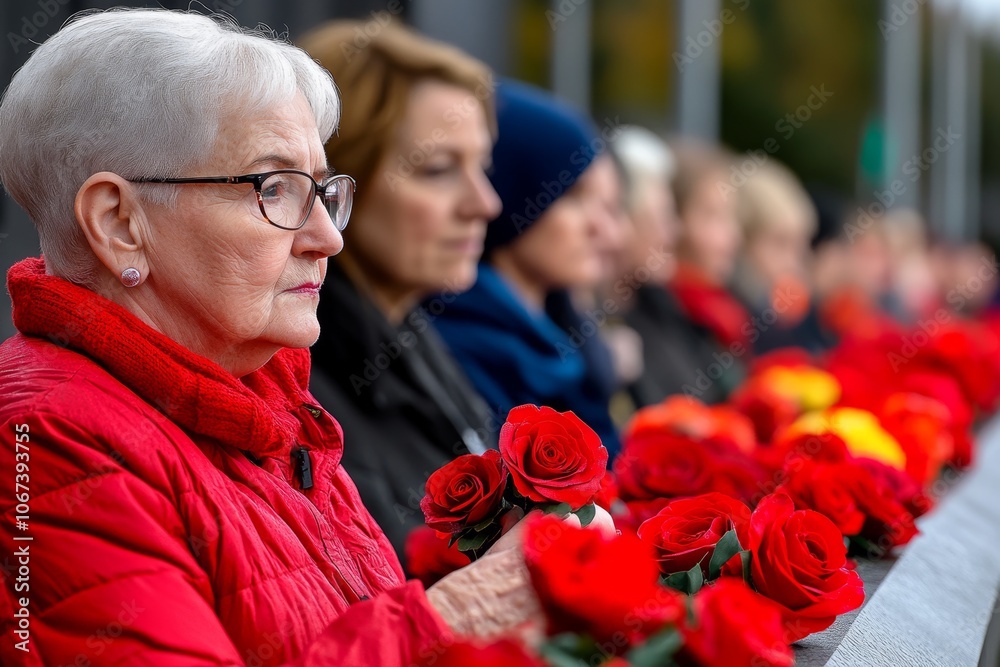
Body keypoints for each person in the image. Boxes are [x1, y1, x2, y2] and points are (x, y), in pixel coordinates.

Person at [0, 10, 572, 665]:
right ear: (120, 222)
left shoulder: (271, 404)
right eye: (273, 188)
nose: (328, 236)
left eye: (324, 191)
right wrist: (457, 618)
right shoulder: (48, 437)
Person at [298, 21, 501, 561]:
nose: (485, 203)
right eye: (438, 170)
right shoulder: (298, 382)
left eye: (483, 165)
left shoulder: (408, 328)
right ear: (335, 182)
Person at [433, 80, 623, 457]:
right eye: (572, 197)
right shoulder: (459, 345)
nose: (606, 229)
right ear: (514, 196)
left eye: (607, 205)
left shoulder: (564, 340)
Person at [665, 139, 747, 402]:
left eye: (731, 216)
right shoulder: (656, 315)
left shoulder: (724, 314)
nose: (733, 237)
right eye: (713, 216)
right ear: (670, 220)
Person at [731, 159, 823, 353]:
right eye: (780, 242)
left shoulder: (791, 318)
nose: (795, 261)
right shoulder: (726, 320)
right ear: (740, 240)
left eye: (801, 243)